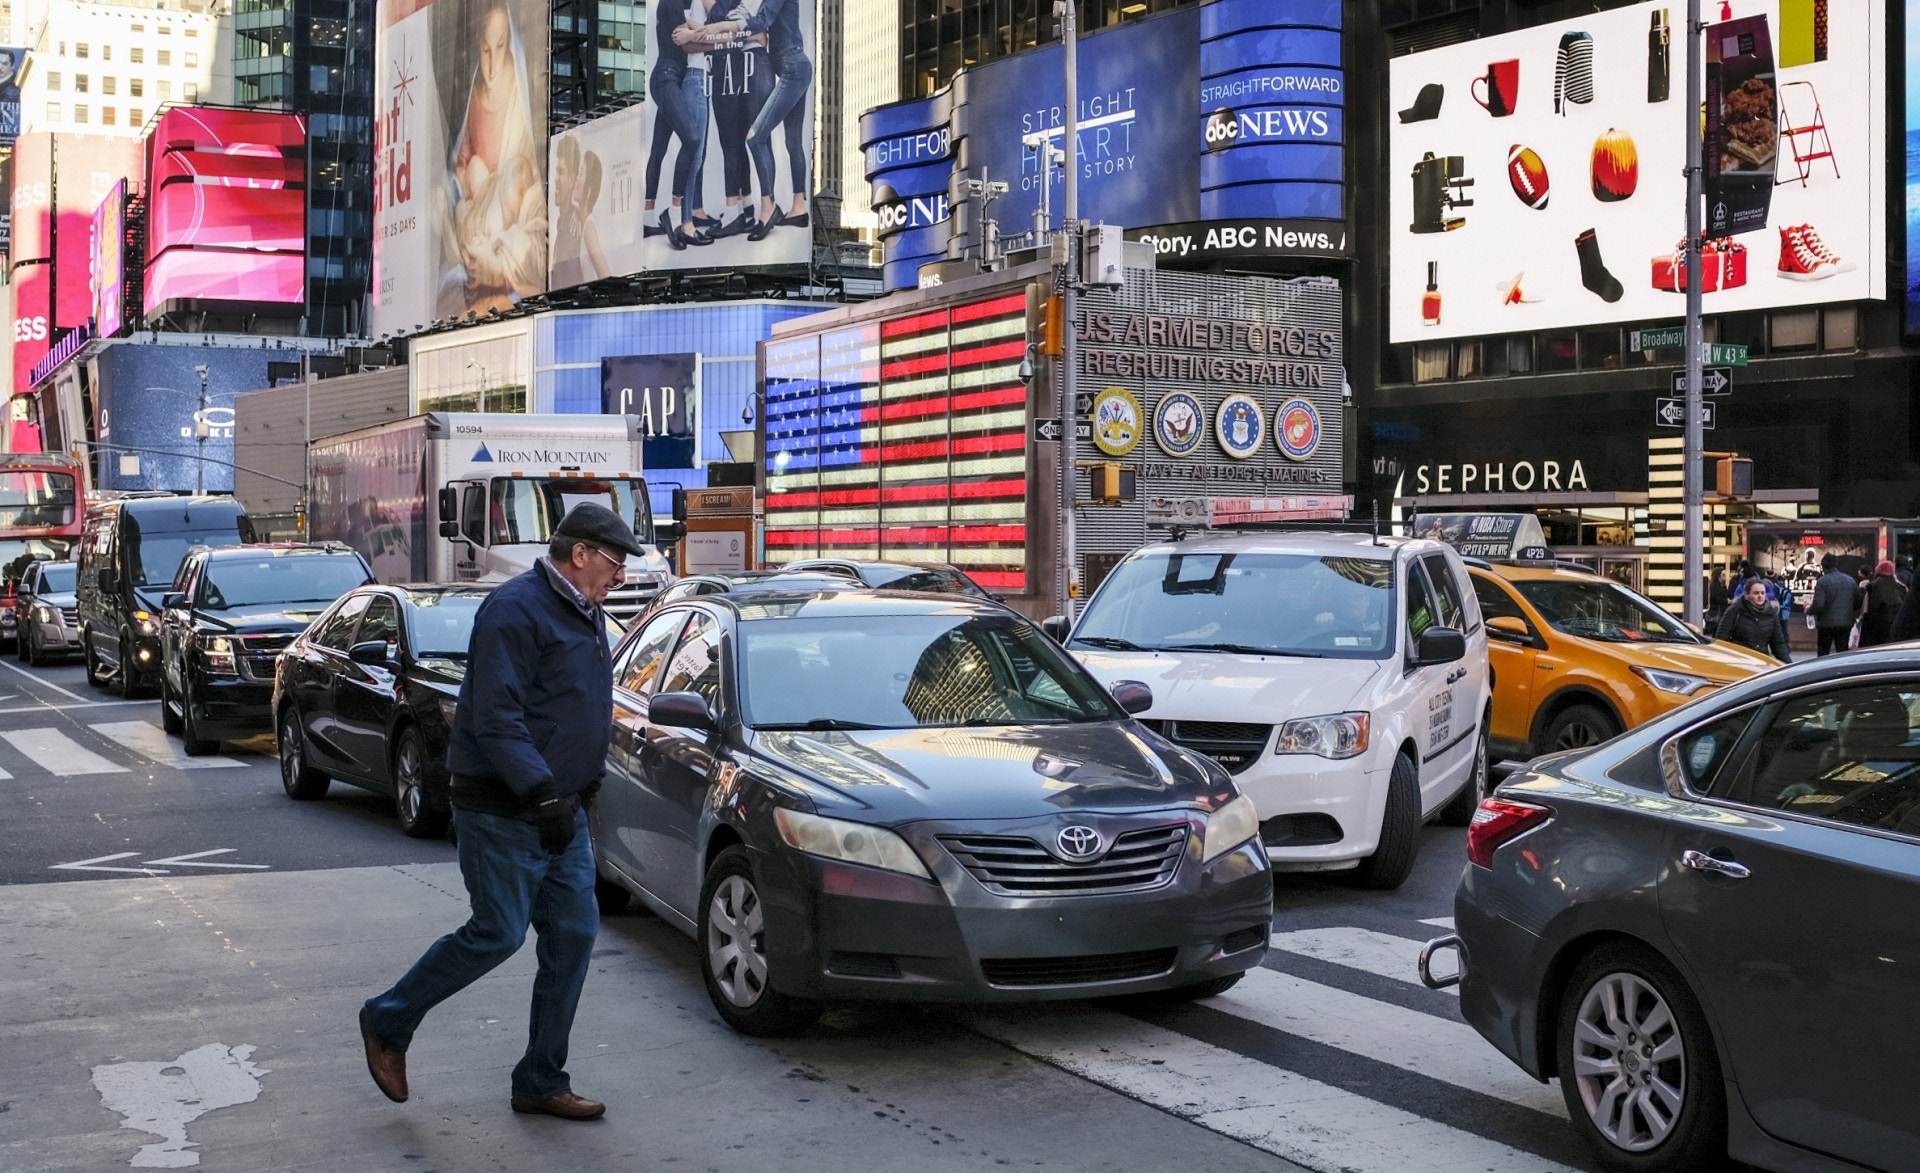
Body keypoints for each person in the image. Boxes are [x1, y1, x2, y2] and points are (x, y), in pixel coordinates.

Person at [359, 503, 644, 1120]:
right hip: (506, 808)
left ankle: (541, 1078)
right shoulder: (516, 610)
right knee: (498, 932)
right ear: (580, 555)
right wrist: (540, 790)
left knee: (573, 935)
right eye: (615, 563)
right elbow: (494, 716)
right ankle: (388, 1018)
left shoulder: (585, 610)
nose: (620, 577)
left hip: (560, 811)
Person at [440, 4, 547, 309]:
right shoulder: (475, 86)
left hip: (506, 200)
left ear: (509, 44)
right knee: (468, 174)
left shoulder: (520, 83)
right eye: (485, 50)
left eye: (499, 48)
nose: (491, 64)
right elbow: (463, 158)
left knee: (513, 171)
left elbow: (529, 167)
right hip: (479, 201)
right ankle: (480, 247)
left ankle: (490, 252)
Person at [704, 0, 811, 240]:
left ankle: (768, 208)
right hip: (792, 66)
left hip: (792, 69)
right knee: (793, 143)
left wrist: (722, 26)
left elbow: (762, 21)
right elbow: (759, 27)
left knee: (754, 137)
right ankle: (798, 208)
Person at [1717, 578, 1788, 661]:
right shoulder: (1735, 611)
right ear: (1747, 594)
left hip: (1761, 663)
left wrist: (1789, 667)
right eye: (1756, 593)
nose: (1760, 596)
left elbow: (1778, 644)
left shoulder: (1771, 613)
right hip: (1739, 662)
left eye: (1763, 593)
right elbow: (1721, 640)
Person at [1809, 554, 1859, 656]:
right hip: (1846, 623)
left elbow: (1819, 604)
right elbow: (1858, 601)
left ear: (1823, 566)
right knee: (1843, 652)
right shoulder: (1850, 581)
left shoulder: (1822, 581)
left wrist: (1809, 611)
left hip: (1825, 624)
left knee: (1823, 653)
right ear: (1836, 565)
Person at [1858, 559, 1907, 649]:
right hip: (1895, 627)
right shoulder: (1901, 587)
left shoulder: (1872, 586)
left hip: (1876, 629)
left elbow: (1865, 610)